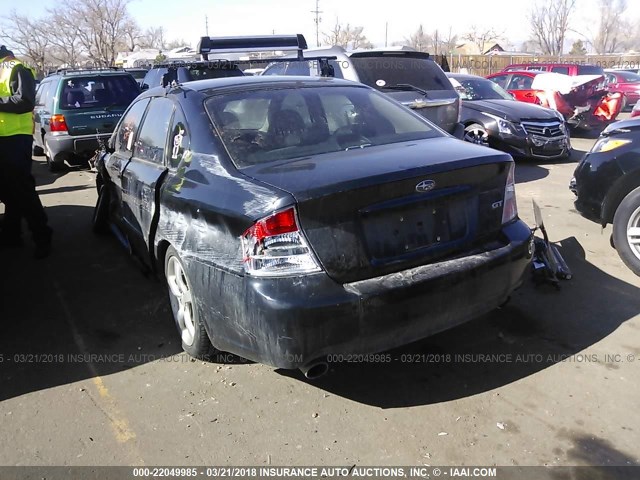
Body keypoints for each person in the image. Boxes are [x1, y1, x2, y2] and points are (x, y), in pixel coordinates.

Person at [0, 45, 52, 258]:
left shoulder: (17, 68)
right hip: (4, 139)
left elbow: (25, 101)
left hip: (15, 139)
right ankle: (12, 235)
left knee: (22, 190)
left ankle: (42, 236)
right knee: (8, 191)